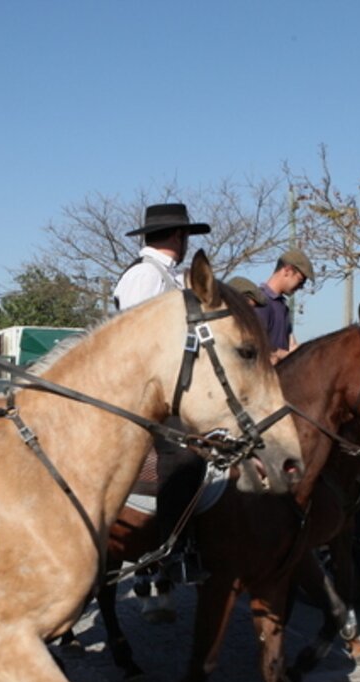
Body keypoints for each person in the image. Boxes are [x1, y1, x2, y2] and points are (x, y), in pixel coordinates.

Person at [114, 204, 211, 618]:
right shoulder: (145, 275)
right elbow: (136, 339)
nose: (187, 242)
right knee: (182, 455)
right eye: (186, 236)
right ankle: (173, 551)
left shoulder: (169, 275)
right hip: (142, 388)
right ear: (178, 236)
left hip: (167, 386)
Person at [256, 248, 315, 363]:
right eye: (301, 280)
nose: (301, 287)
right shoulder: (259, 302)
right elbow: (254, 345)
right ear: (287, 270)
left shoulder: (283, 307)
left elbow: (292, 345)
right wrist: (281, 355)